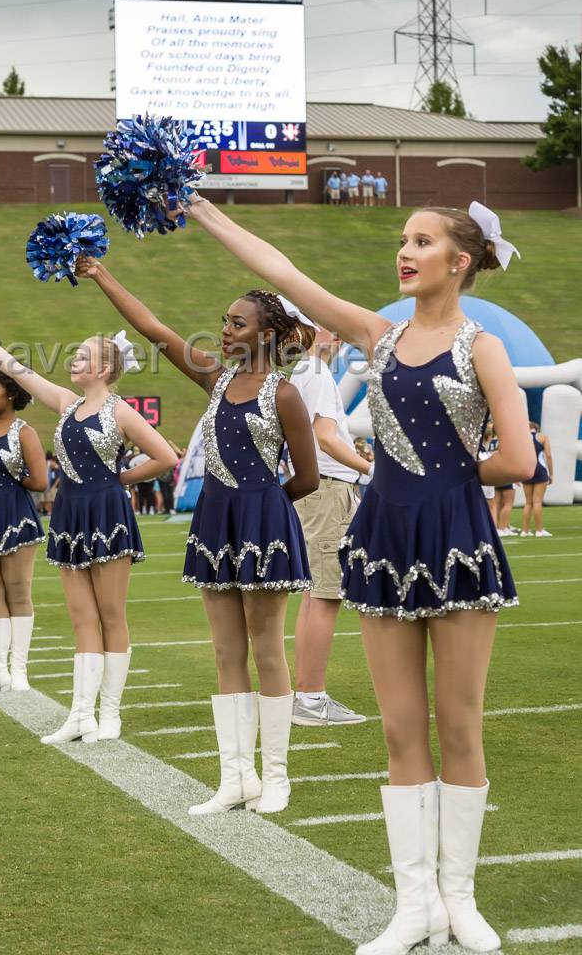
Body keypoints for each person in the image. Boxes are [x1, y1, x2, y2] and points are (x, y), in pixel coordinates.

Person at [181, 193, 534, 953]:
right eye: (402, 240)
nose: (403, 252)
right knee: (401, 727)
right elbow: (280, 271)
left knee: (458, 725)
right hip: (380, 540)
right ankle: (413, 910)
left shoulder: (481, 348)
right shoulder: (375, 335)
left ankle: (459, 901)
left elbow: (518, 459)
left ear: (459, 261)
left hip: (454, 540)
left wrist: (436, 472)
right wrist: (199, 209)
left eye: (421, 241)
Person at [80, 256, 318, 814]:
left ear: (268, 333)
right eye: (226, 321)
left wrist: (264, 514)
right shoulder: (216, 378)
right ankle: (236, 777)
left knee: (267, 649)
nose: (227, 330)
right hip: (215, 520)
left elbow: (306, 477)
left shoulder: (283, 394)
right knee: (225, 650)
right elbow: (154, 330)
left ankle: (277, 776)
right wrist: (102, 276)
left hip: (262, 525)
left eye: (237, 323)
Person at [0, 317, 175, 727]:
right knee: (81, 616)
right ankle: (79, 715)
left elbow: (165, 457)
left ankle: (109, 714)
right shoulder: (67, 403)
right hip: (70, 512)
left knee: (111, 614)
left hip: (106, 512)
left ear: (104, 369)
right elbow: (15, 366)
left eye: (83, 356)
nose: (74, 360)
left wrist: (119, 480)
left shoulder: (120, 411)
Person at [288, 319, 371, 728]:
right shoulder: (316, 373)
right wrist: (369, 467)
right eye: (327, 329)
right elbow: (327, 437)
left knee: (314, 595)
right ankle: (310, 698)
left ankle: (306, 694)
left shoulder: (305, 373)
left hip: (317, 489)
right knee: (326, 595)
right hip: (326, 488)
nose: (337, 335)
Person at [520, 422, 553, 537]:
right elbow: (548, 456)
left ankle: (525, 530)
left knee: (528, 502)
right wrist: (551, 473)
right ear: (536, 428)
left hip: (526, 470)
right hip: (539, 469)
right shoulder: (542, 437)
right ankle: (539, 530)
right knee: (537, 501)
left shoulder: (521, 438)